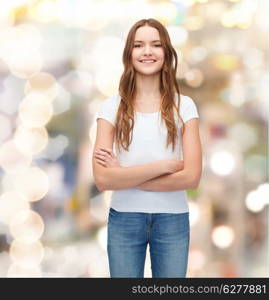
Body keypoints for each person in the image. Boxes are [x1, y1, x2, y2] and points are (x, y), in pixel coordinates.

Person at [92, 18, 202, 278]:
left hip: (172, 220)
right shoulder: (110, 108)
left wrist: (125, 175)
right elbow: (102, 179)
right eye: (139, 45)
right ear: (129, 53)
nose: (147, 51)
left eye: (156, 45)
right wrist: (162, 166)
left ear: (166, 53)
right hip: (124, 219)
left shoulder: (184, 107)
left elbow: (191, 177)